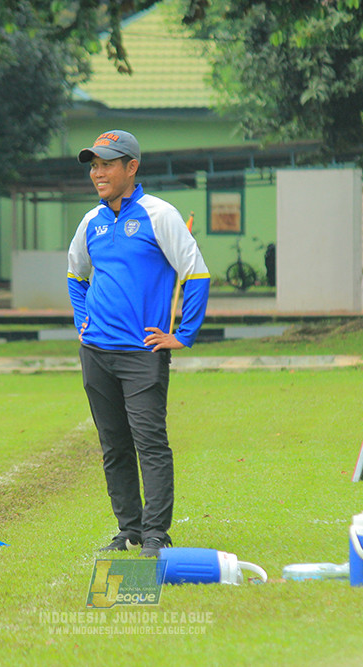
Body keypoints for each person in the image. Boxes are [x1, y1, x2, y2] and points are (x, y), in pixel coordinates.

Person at [66, 130, 210, 558]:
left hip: (142, 353)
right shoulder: (91, 221)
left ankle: (155, 534)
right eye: (94, 165)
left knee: (149, 443)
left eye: (107, 164)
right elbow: (76, 274)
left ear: (131, 167)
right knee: (113, 445)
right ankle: (128, 530)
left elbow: (197, 272)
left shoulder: (158, 214)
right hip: (96, 351)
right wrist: (83, 321)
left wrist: (182, 335)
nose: (98, 173)